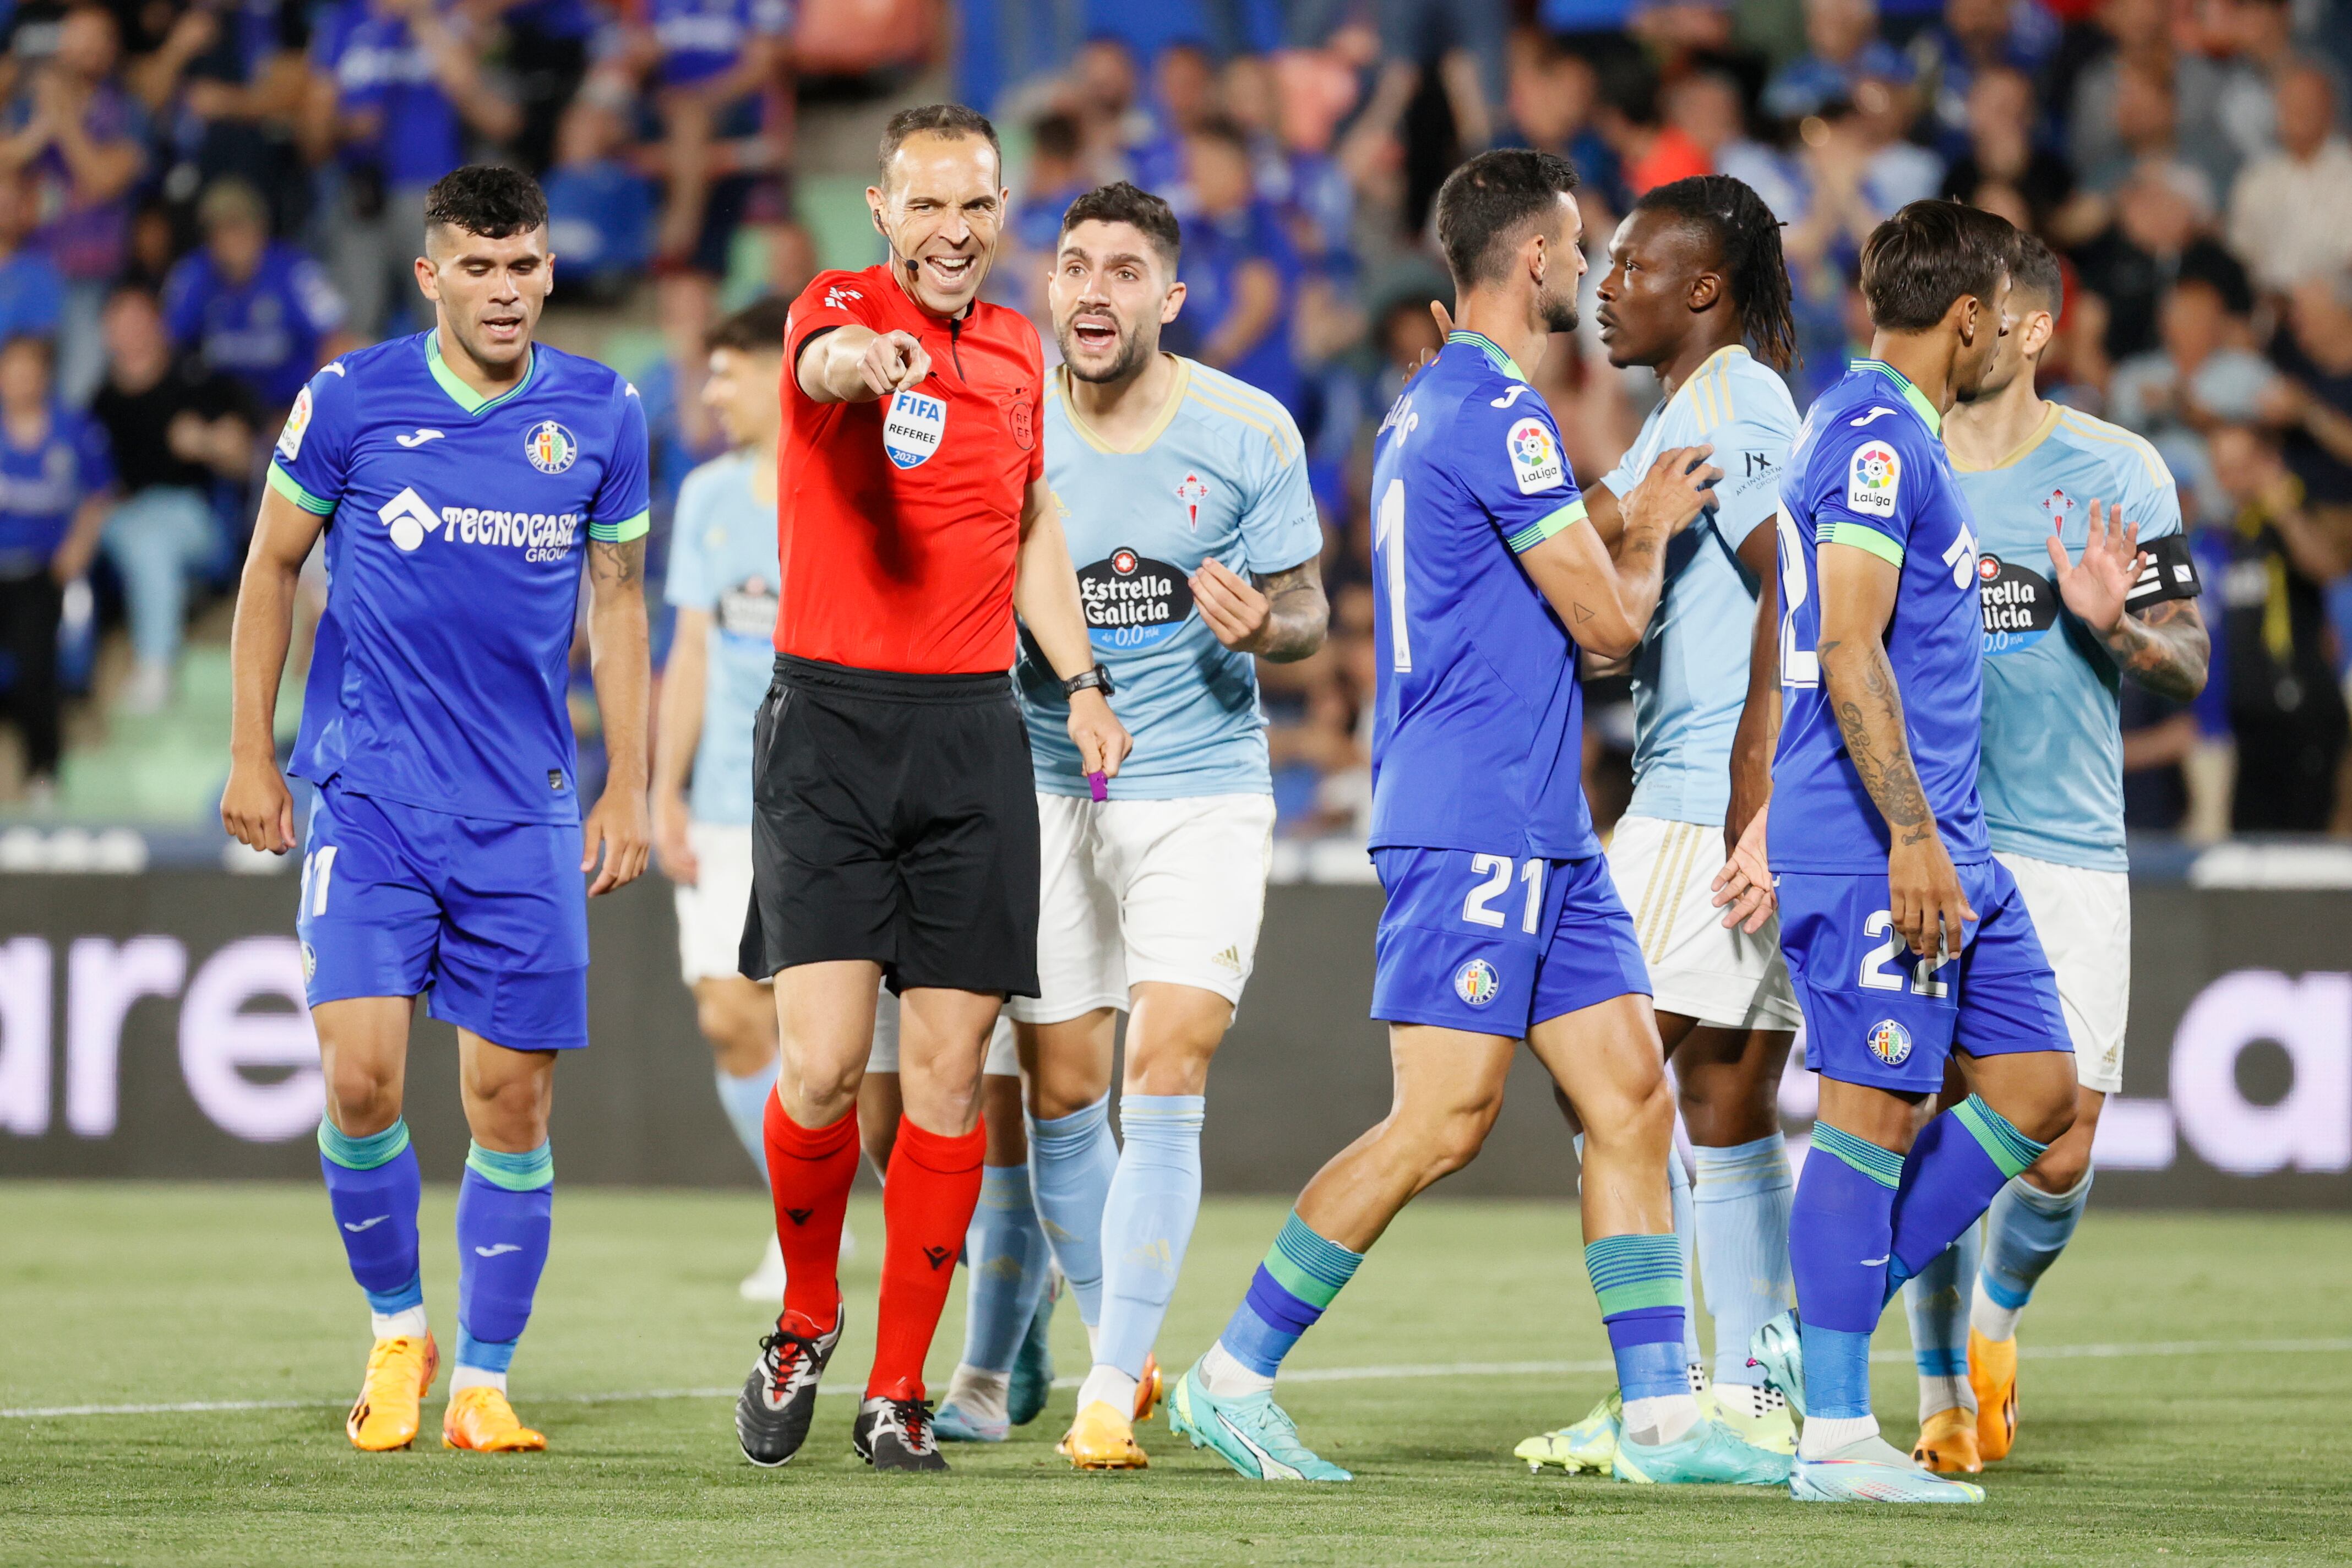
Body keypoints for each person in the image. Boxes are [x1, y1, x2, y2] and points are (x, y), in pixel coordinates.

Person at [1167, 148, 1779, 1490]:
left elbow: (1533, 551)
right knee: (1439, 1121)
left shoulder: (1438, 403)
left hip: (1537, 819)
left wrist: (1615, 508)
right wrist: (1660, 525)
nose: (1588, 264)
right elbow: (1609, 629)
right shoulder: (1498, 414)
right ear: (1531, 258)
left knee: (1628, 1096)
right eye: (1576, 244)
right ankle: (1232, 1373)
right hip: (1473, 813)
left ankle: (1663, 1418)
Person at [220, 166, 652, 1456]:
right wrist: (254, 749)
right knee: (360, 1078)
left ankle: (485, 1377)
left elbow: (619, 604)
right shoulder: (353, 398)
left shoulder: (602, 411)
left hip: (522, 811)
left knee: (509, 1105)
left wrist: (631, 779)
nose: (505, 289)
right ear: (431, 276)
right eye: (478, 266)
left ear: (549, 272)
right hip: (373, 796)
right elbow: (269, 566)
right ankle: (398, 1329)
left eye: (523, 266)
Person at [730, 104, 1129, 1476]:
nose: (954, 230)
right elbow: (831, 363)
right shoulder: (833, 310)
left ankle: (897, 1387)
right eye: (928, 206)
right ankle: (802, 1315)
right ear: (880, 209)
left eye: (978, 206)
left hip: (970, 735)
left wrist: (1078, 680)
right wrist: (867, 358)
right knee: (828, 1063)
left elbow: (1024, 522)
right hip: (830, 728)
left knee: (953, 1077)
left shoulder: (1020, 351)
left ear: (1002, 210)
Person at [1730, 199, 2078, 1504]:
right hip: (1887, 842)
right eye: (2006, 321)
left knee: (2040, 1090)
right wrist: (1914, 836)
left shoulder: (1875, 429)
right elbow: (1848, 642)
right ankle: (1832, 1430)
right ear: (1972, 319)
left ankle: (1818, 1321)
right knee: (1870, 1118)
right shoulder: (1877, 437)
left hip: (1947, 843)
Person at [997, 179, 1331, 1471]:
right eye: (1075, 265)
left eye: (1123, 270)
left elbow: (1305, 607)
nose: (1092, 288)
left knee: (1168, 1055)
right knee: (1063, 1088)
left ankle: (1096, 1395)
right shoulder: (1012, 423)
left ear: (1168, 298)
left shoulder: (1246, 429)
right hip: (1041, 776)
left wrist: (1271, 625)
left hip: (1198, 779)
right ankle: (1123, 1355)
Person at [1513, 173, 1807, 1477]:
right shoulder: (1695, 410)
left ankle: (1668, 1396)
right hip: (1709, 796)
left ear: (1704, 288)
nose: (1603, 285)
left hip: (1702, 804)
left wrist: (1758, 808)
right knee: (1721, 1095)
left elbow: (1792, 591)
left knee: (1604, 1078)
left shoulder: (1732, 409)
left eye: (1630, 264)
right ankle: (1756, 1389)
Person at [1903, 232, 2209, 1475]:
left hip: (2070, 844)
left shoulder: (2122, 472)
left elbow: (2188, 658)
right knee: (1928, 1112)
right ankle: (1938, 1390)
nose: (1961, 333)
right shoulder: (1904, 464)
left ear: (2031, 332)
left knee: (2062, 1140)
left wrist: (2117, 623)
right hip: (1926, 843)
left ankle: (1996, 1319)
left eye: (1984, 317)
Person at [651, 295, 802, 1301]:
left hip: (822, 798)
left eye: (726, 371)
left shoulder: (842, 487)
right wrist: (659, 789)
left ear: (775, 373)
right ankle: (798, 1226)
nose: (710, 390)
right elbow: (693, 649)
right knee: (728, 1017)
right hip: (721, 798)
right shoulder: (706, 496)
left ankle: (976, 1234)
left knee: (839, 1035)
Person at [89, 284, 255, 714]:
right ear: (107, 333)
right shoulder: (99, 404)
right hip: (120, 517)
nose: (132, 332)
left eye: (141, 320)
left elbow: (244, 457)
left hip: (191, 516)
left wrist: (204, 441)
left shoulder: (195, 379)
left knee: (150, 536)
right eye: (122, 324)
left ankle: (156, 665)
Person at [0, 333, 109, 801]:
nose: (21, 380)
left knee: (37, 670)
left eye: (31, 370)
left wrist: (78, 546)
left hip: (43, 573)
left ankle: (44, 767)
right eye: (12, 370)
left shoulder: (74, 429)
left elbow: (100, 494)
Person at [163, 177, 348, 411]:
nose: (231, 239)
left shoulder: (296, 272)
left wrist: (304, 418)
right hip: (222, 415)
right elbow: (164, 347)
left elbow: (338, 344)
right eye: (220, 228)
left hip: (291, 409)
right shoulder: (192, 275)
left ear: (261, 227)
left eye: (239, 225)